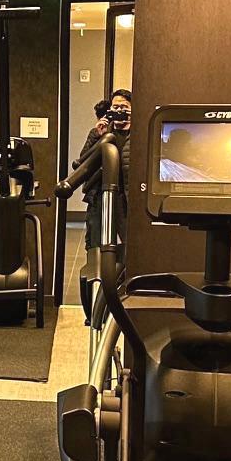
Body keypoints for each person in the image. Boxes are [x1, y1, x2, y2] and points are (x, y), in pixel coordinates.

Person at [76, 89, 131, 314]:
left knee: (128, 250)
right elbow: (82, 163)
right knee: (96, 250)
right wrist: (97, 136)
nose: (119, 112)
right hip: (100, 197)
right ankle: (93, 311)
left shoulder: (138, 134)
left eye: (124, 108)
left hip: (126, 200)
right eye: (115, 107)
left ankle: (122, 300)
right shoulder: (100, 132)